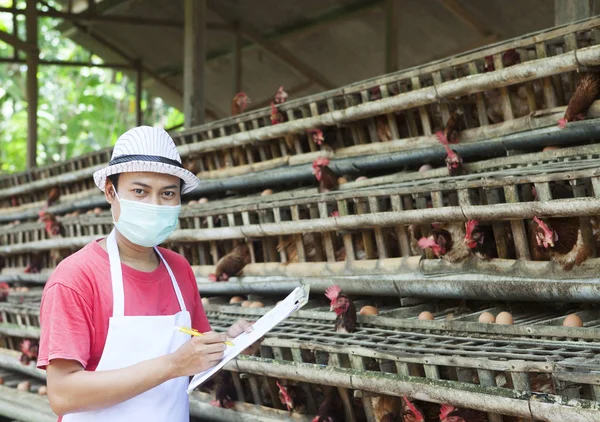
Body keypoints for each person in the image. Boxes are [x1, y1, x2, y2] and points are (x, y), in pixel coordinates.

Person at [38, 126, 255, 421]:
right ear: (111, 192)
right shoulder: (76, 278)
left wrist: (231, 343)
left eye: (167, 193)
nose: (154, 205)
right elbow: (63, 394)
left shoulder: (179, 270)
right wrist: (173, 365)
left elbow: (193, 361)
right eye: (140, 191)